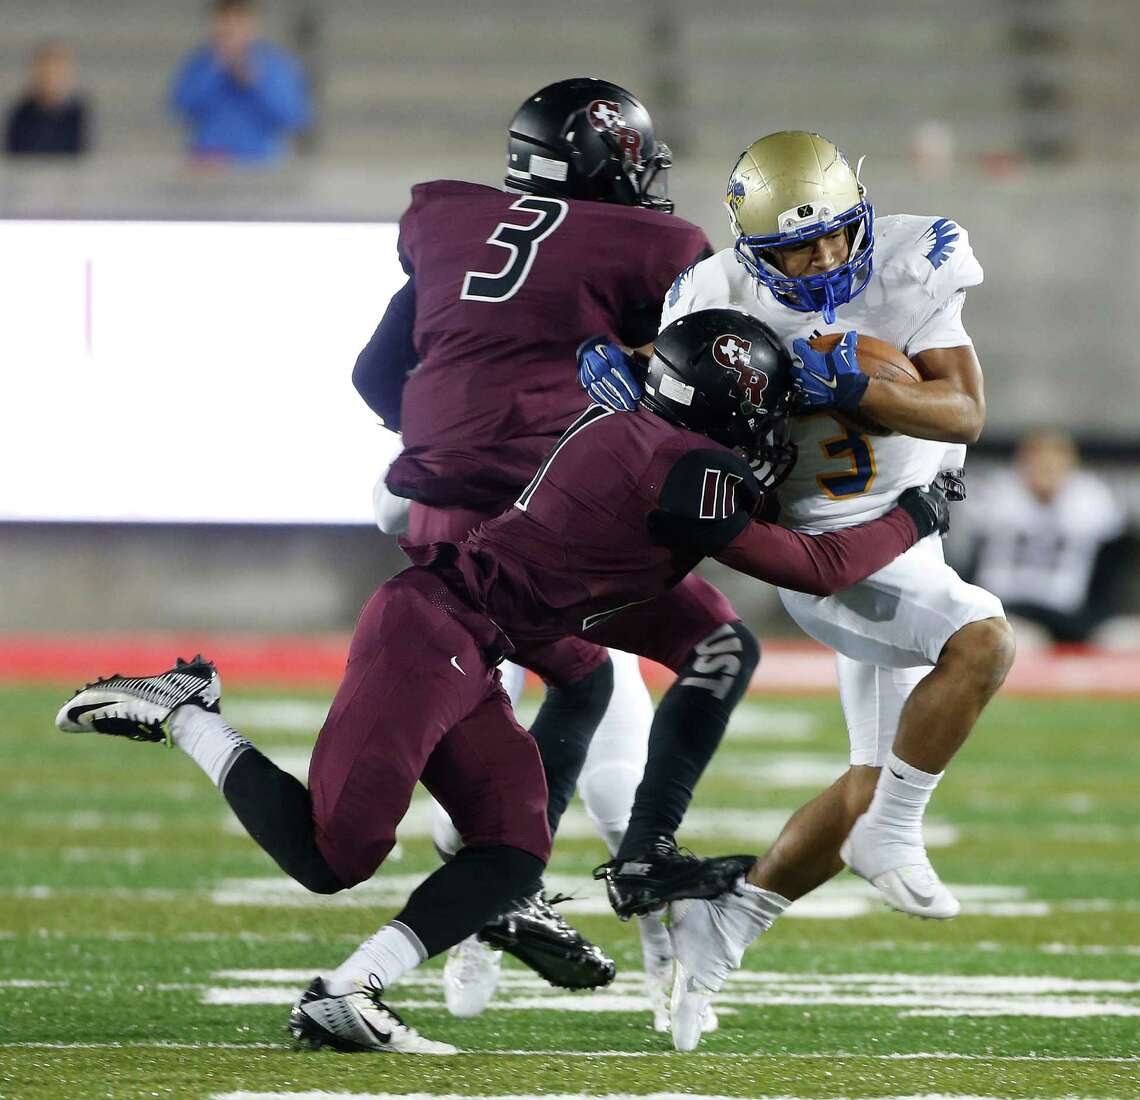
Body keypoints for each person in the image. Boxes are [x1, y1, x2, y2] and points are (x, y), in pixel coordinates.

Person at [55, 308, 950, 1055]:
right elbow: (817, 563)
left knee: (512, 849)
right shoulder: (682, 462)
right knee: (334, 855)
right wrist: (916, 512)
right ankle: (187, 716)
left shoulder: (648, 435)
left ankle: (351, 989)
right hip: (432, 631)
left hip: (476, 643)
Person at [579, 131, 1015, 1050]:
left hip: (912, 529)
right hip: (828, 549)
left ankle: (729, 925)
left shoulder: (910, 259)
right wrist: (626, 377)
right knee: (982, 641)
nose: (822, 261)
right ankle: (894, 831)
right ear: (747, 247)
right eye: (794, 248)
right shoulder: (714, 292)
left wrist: (862, 384)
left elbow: (965, 412)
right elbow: (673, 389)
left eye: (834, 239)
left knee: (870, 777)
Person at [354, 76, 715, 1029]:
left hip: (425, 498)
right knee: (634, 674)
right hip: (535, 518)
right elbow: (686, 396)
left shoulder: (452, 224)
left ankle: (497, 868)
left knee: (539, 690)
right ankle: (515, 873)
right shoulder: (651, 247)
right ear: (609, 161)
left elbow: (371, 373)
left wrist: (446, 439)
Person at [965, 428, 1126, 644]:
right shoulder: (996, 498)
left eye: (1054, 465)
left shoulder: (1091, 502)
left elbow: (1109, 571)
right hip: (1007, 609)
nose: (1046, 471)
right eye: (1039, 464)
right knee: (1015, 639)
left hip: (1069, 615)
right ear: (1022, 465)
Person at [168, 0, 310, 164]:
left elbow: (293, 116)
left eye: (239, 20)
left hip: (260, 165)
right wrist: (214, 70)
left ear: (253, 24)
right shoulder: (200, 63)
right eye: (225, 20)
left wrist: (256, 83)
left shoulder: (275, 65)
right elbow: (180, 107)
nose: (232, 28)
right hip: (210, 163)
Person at [4, 42, 89, 157]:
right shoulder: (21, 112)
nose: (51, 79)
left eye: (57, 73)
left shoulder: (77, 113)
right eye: (46, 73)